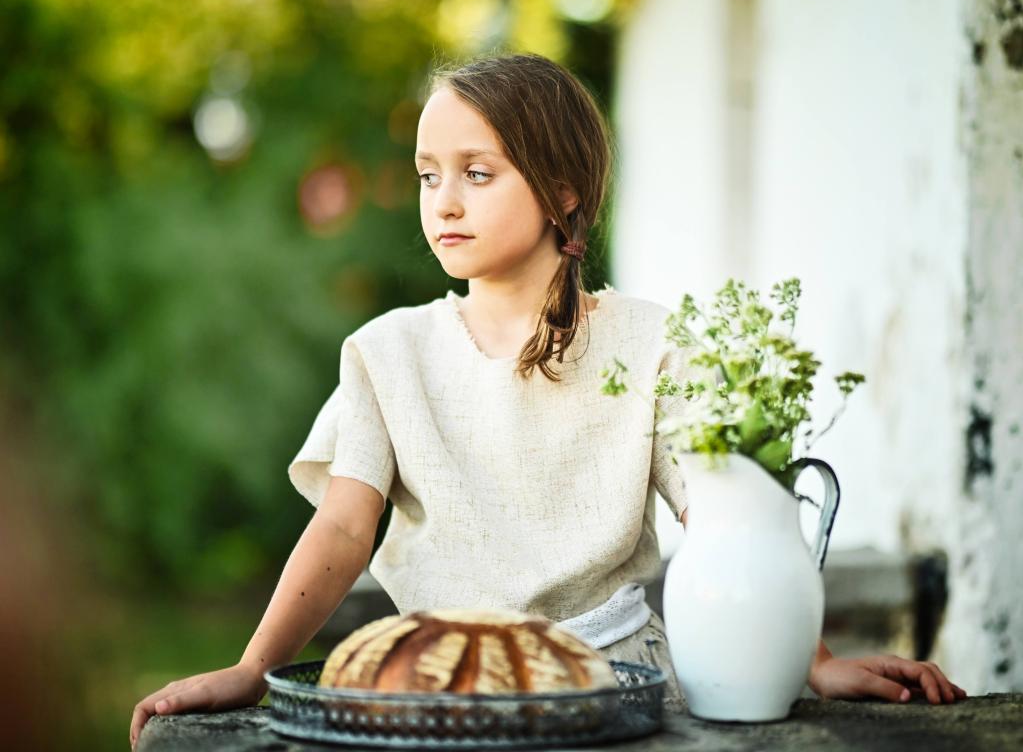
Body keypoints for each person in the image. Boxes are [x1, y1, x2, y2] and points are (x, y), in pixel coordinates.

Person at [129, 52, 965, 748]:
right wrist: (251, 667)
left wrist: (808, 661)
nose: (443, 201)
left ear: (563, 191)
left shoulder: (648, 341)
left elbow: (724, 524)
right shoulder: (388, 352)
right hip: (442, 694)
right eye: (428, 176)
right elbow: (345, 527)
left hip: (620, 694)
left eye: (477, 173)